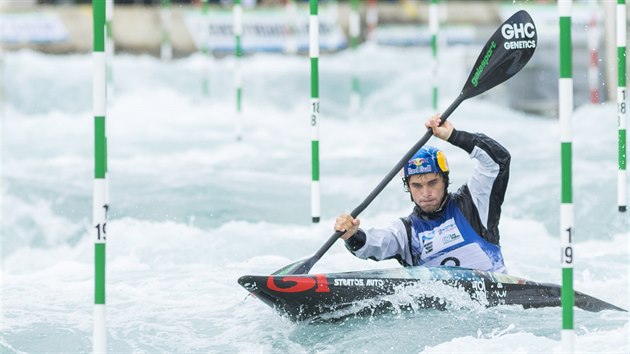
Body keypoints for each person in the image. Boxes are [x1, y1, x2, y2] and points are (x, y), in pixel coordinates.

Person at [334, 113, 510, 273]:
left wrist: (454, 136)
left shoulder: (474, 203)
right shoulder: (406, 232)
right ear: (408, 187)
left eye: (432, 183)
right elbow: (375, 244)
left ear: (445, 181)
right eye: (417, 185)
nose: (425, 193)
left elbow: (498, 161)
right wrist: (352, 236)